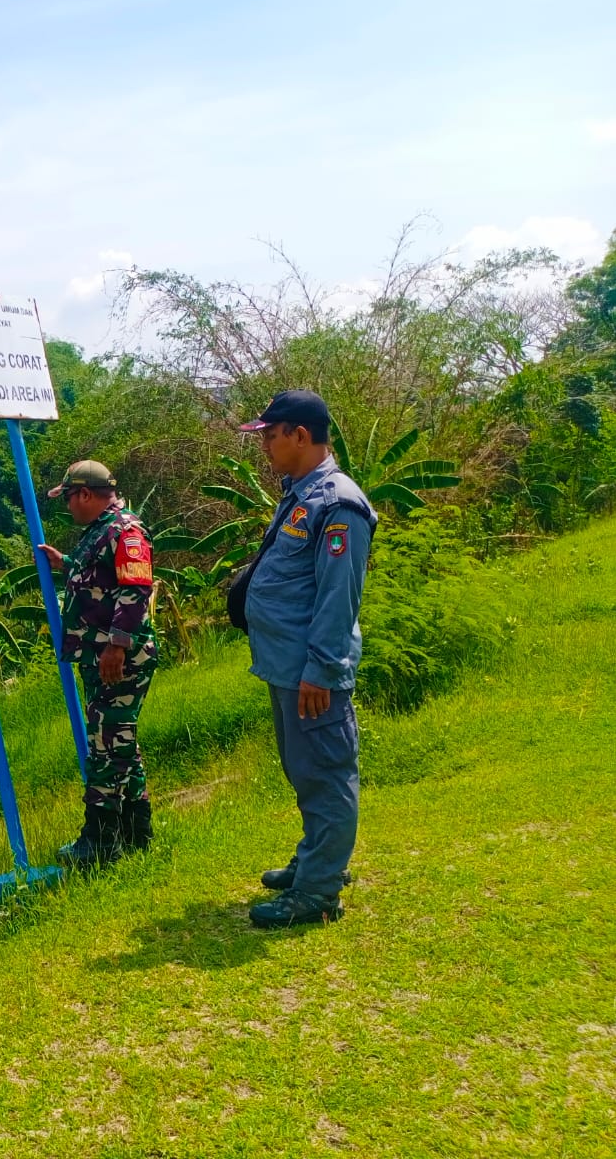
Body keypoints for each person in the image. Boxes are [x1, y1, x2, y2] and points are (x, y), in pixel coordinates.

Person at [238, 390, 376, 928]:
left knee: (325, 775)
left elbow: (339, 597)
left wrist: (321, 669)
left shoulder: (339, 503)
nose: (265, 447)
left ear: (300, 435)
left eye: (270, 436)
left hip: (310, 672)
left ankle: (318, 892)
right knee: (304, 770)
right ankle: (317, 859)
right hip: (286, 665)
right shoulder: (301, 494)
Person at [38, 460, 157, 868]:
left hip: (120, 660)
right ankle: (136, 831)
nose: (68, 506)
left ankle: (100, 841)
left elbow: (136, 588)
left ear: (85, 494)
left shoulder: (125, 530)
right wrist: (66, 564)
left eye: (69, 498)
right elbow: (99, 579)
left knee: (107, 748)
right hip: (101, 658)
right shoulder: (100, 532)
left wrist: (117, 646)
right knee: (119, 742)